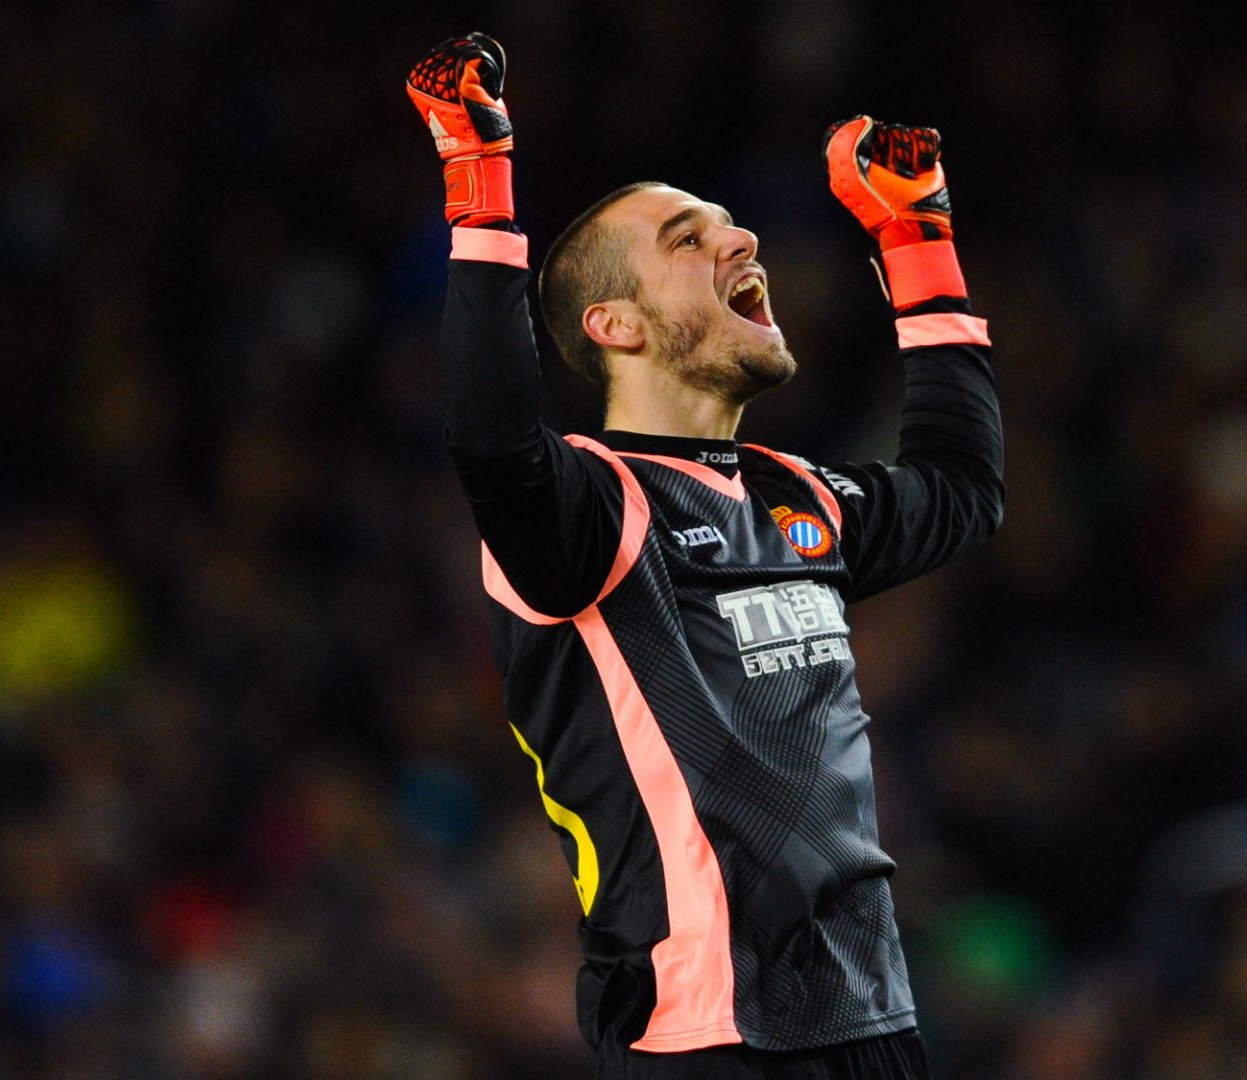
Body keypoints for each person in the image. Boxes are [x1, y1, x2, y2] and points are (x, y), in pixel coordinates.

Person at [406, 32, 1003, 1079]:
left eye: (734, 228)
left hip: (875, 1024)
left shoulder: (797, 497)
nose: (743, 245)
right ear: (614, 325)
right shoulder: (592, 513)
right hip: (712, 1039)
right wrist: (480, 178)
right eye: (689, 238)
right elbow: (493, 439)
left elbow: (962, 491)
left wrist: (918, 239)